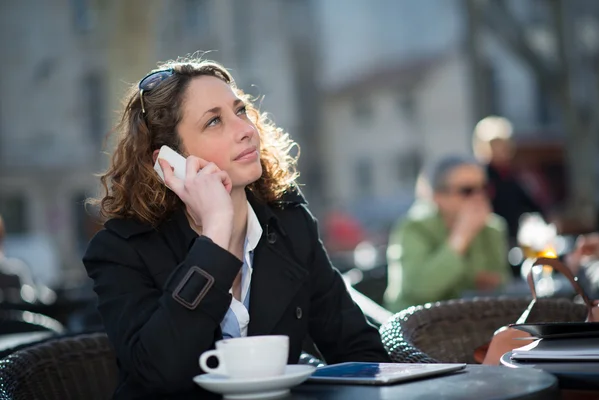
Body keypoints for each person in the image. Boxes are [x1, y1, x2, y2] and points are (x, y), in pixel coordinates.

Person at [83, 59, 390, 399]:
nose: (246, 130)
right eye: (214, 121)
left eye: (240, 111)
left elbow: (357, 347)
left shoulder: (289, 223)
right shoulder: (122, 250)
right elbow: (160, 373)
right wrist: (216, 235)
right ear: (168, 162)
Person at [384, 156, 511, 312]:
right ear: (438, 196)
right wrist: (461, 238)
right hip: (415, 326)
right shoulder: (412, 227)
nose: (479, 197)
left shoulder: (492, 228)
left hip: (472, 321)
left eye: (484, 188)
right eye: (467, 190)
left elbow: (501, 284)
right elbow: (420, 289)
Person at [472, 116, 545, 242]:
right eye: (495, 145)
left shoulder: (513, 175)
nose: (502, 150)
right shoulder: (479, 178)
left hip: (514, 239)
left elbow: (532, 207)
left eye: (504, 145)